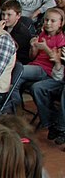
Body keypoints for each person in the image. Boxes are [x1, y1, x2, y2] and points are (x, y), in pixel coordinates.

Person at [28, 8, 65, 143]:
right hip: (59, 78)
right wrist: (58, 63)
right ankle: (50, 124)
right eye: (46, 20)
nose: (48, 23)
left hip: (52, 74)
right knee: (37, 88)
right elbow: (58, 74)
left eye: (53, 20)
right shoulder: (43, 35)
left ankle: (61, 128)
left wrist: (53, 57)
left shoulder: (61, 39)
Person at [2, 0, 34, 65]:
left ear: (18, 15)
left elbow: (10, 49)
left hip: (18, 62)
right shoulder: (3, 26)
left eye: (9, 15)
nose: (5, 18)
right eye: (3, 14)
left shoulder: (22, 32)